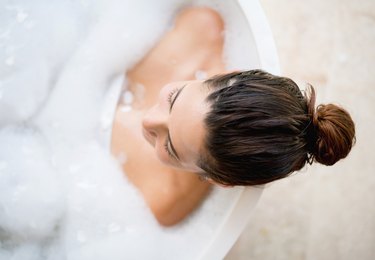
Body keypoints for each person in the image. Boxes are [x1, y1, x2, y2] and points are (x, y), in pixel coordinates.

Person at [111, 7, 355, 226]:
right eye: (174, 97)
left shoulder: (161, 199)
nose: (148, 121)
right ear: (229, 73)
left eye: (171, 147)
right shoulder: (200, 28)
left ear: (218, 180)